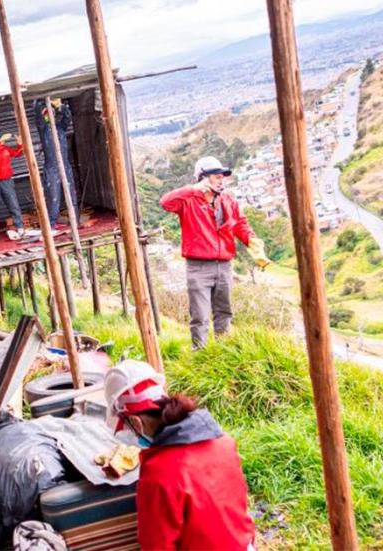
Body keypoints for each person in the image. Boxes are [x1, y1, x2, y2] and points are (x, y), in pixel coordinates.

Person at [104, 361, 256, 550]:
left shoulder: (158, 473)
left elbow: (156, 545)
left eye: (127, 427)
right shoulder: (224, 442)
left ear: (136, 422)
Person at [160, 156, 269, 350]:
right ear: (203, 177)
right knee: (200, 316)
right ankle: (200, 354)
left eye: (222, 177)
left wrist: (252, 242)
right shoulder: (188, 200)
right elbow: (165, 202)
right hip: (198, 267)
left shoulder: (228, 199)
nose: (221, 180)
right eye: (217, 177)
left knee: (224, 312)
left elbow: (240, 224)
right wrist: (193, 189)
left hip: (224, 265)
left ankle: (224, 352)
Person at [0, 125, 34, 242]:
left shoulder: (4, 148)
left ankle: (20, 228)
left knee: (13, 204)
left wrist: (20, 144)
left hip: (6, 180)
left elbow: (17, 153)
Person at [33, 98, 77, 230]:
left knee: (71, 194)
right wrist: (39, 105)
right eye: (47, 114)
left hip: (65, 166)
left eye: (52, 113)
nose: (50, 116)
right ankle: (51, 224)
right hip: (52, 168)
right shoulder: (44, 130)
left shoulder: (61, 128)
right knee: (53, 197)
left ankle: (75, 220)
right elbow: (39, 119)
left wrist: (61, 106)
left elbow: (67, 117)